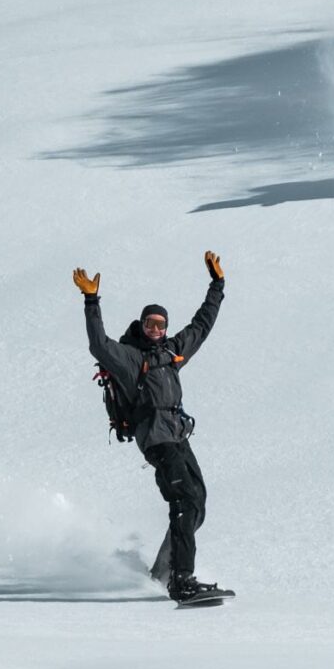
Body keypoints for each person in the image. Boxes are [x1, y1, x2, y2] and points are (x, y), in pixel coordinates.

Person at [76, 252, 228, 603]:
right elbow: (98, 345)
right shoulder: (131, 358)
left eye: (160, 325)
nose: (155, 330)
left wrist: (217, 285)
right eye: (150, 325)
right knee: (184, 502)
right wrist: (91, 300)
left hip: (177, 436)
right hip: (157, 440)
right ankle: (181, 581)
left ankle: (162, 571)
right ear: (141, 326)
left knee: (197, 503)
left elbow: (202, 326)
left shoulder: (173, 352)